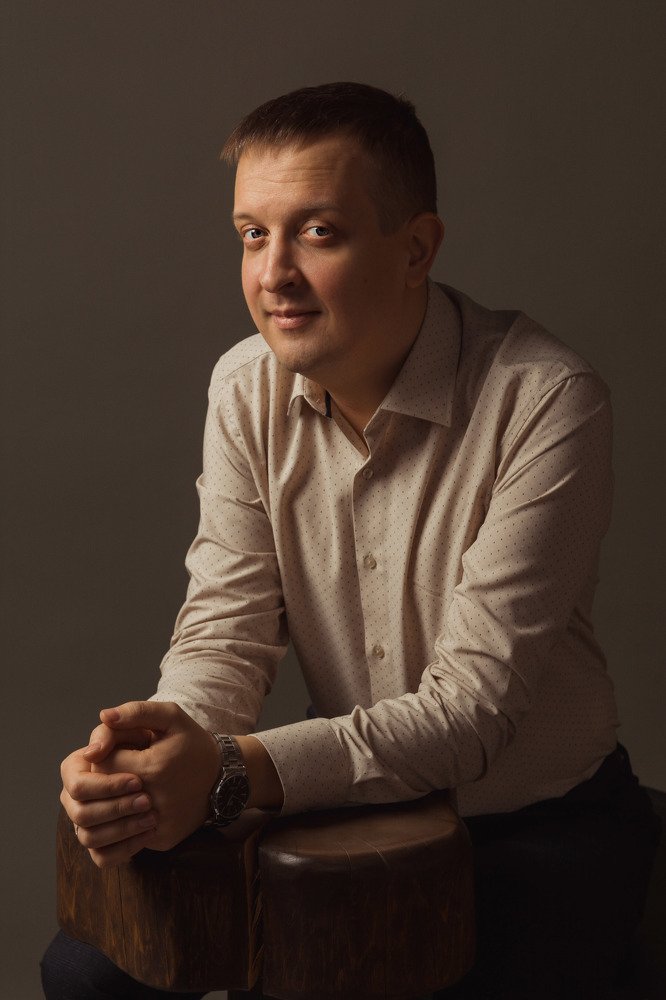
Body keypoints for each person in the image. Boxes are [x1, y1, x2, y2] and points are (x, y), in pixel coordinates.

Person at [42, 82, 659, 999]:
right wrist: (153, 757)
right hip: (340, 810)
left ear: (416, 249)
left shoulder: (547, 400)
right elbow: (224, 632)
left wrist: (224, 771)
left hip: (534, 828)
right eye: (253, 233)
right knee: (86, 975)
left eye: (318, 233)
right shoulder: (243, 387)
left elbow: (469, 713)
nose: (273, 273)